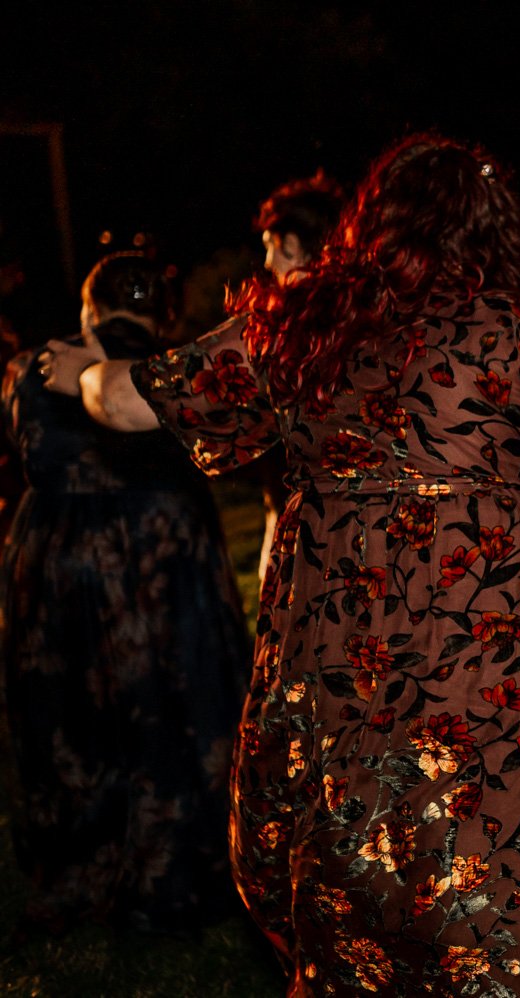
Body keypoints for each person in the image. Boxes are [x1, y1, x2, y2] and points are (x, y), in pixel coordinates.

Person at [43, 134, 520, 995]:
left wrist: (90, 370)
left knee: (355, 868)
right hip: (495, 663)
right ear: (498, 225)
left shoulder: (304, 321)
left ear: (373, 221)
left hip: (341, 654)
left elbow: (122, 400)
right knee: (515, 869)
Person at [3, 252, 249, 935]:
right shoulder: (179, 367)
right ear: (162, 311)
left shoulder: (29, 368)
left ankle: (76, 868)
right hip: (163, 548)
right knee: (175, 700)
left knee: (65, 710)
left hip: (54, 550)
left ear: (91, 307)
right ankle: (175, 870)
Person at [251, 172, 347, 579]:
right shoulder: (370, 316)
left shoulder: (282, 330)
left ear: (291, 243)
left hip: (306, 525)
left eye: (271, 248)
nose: (269, 263)